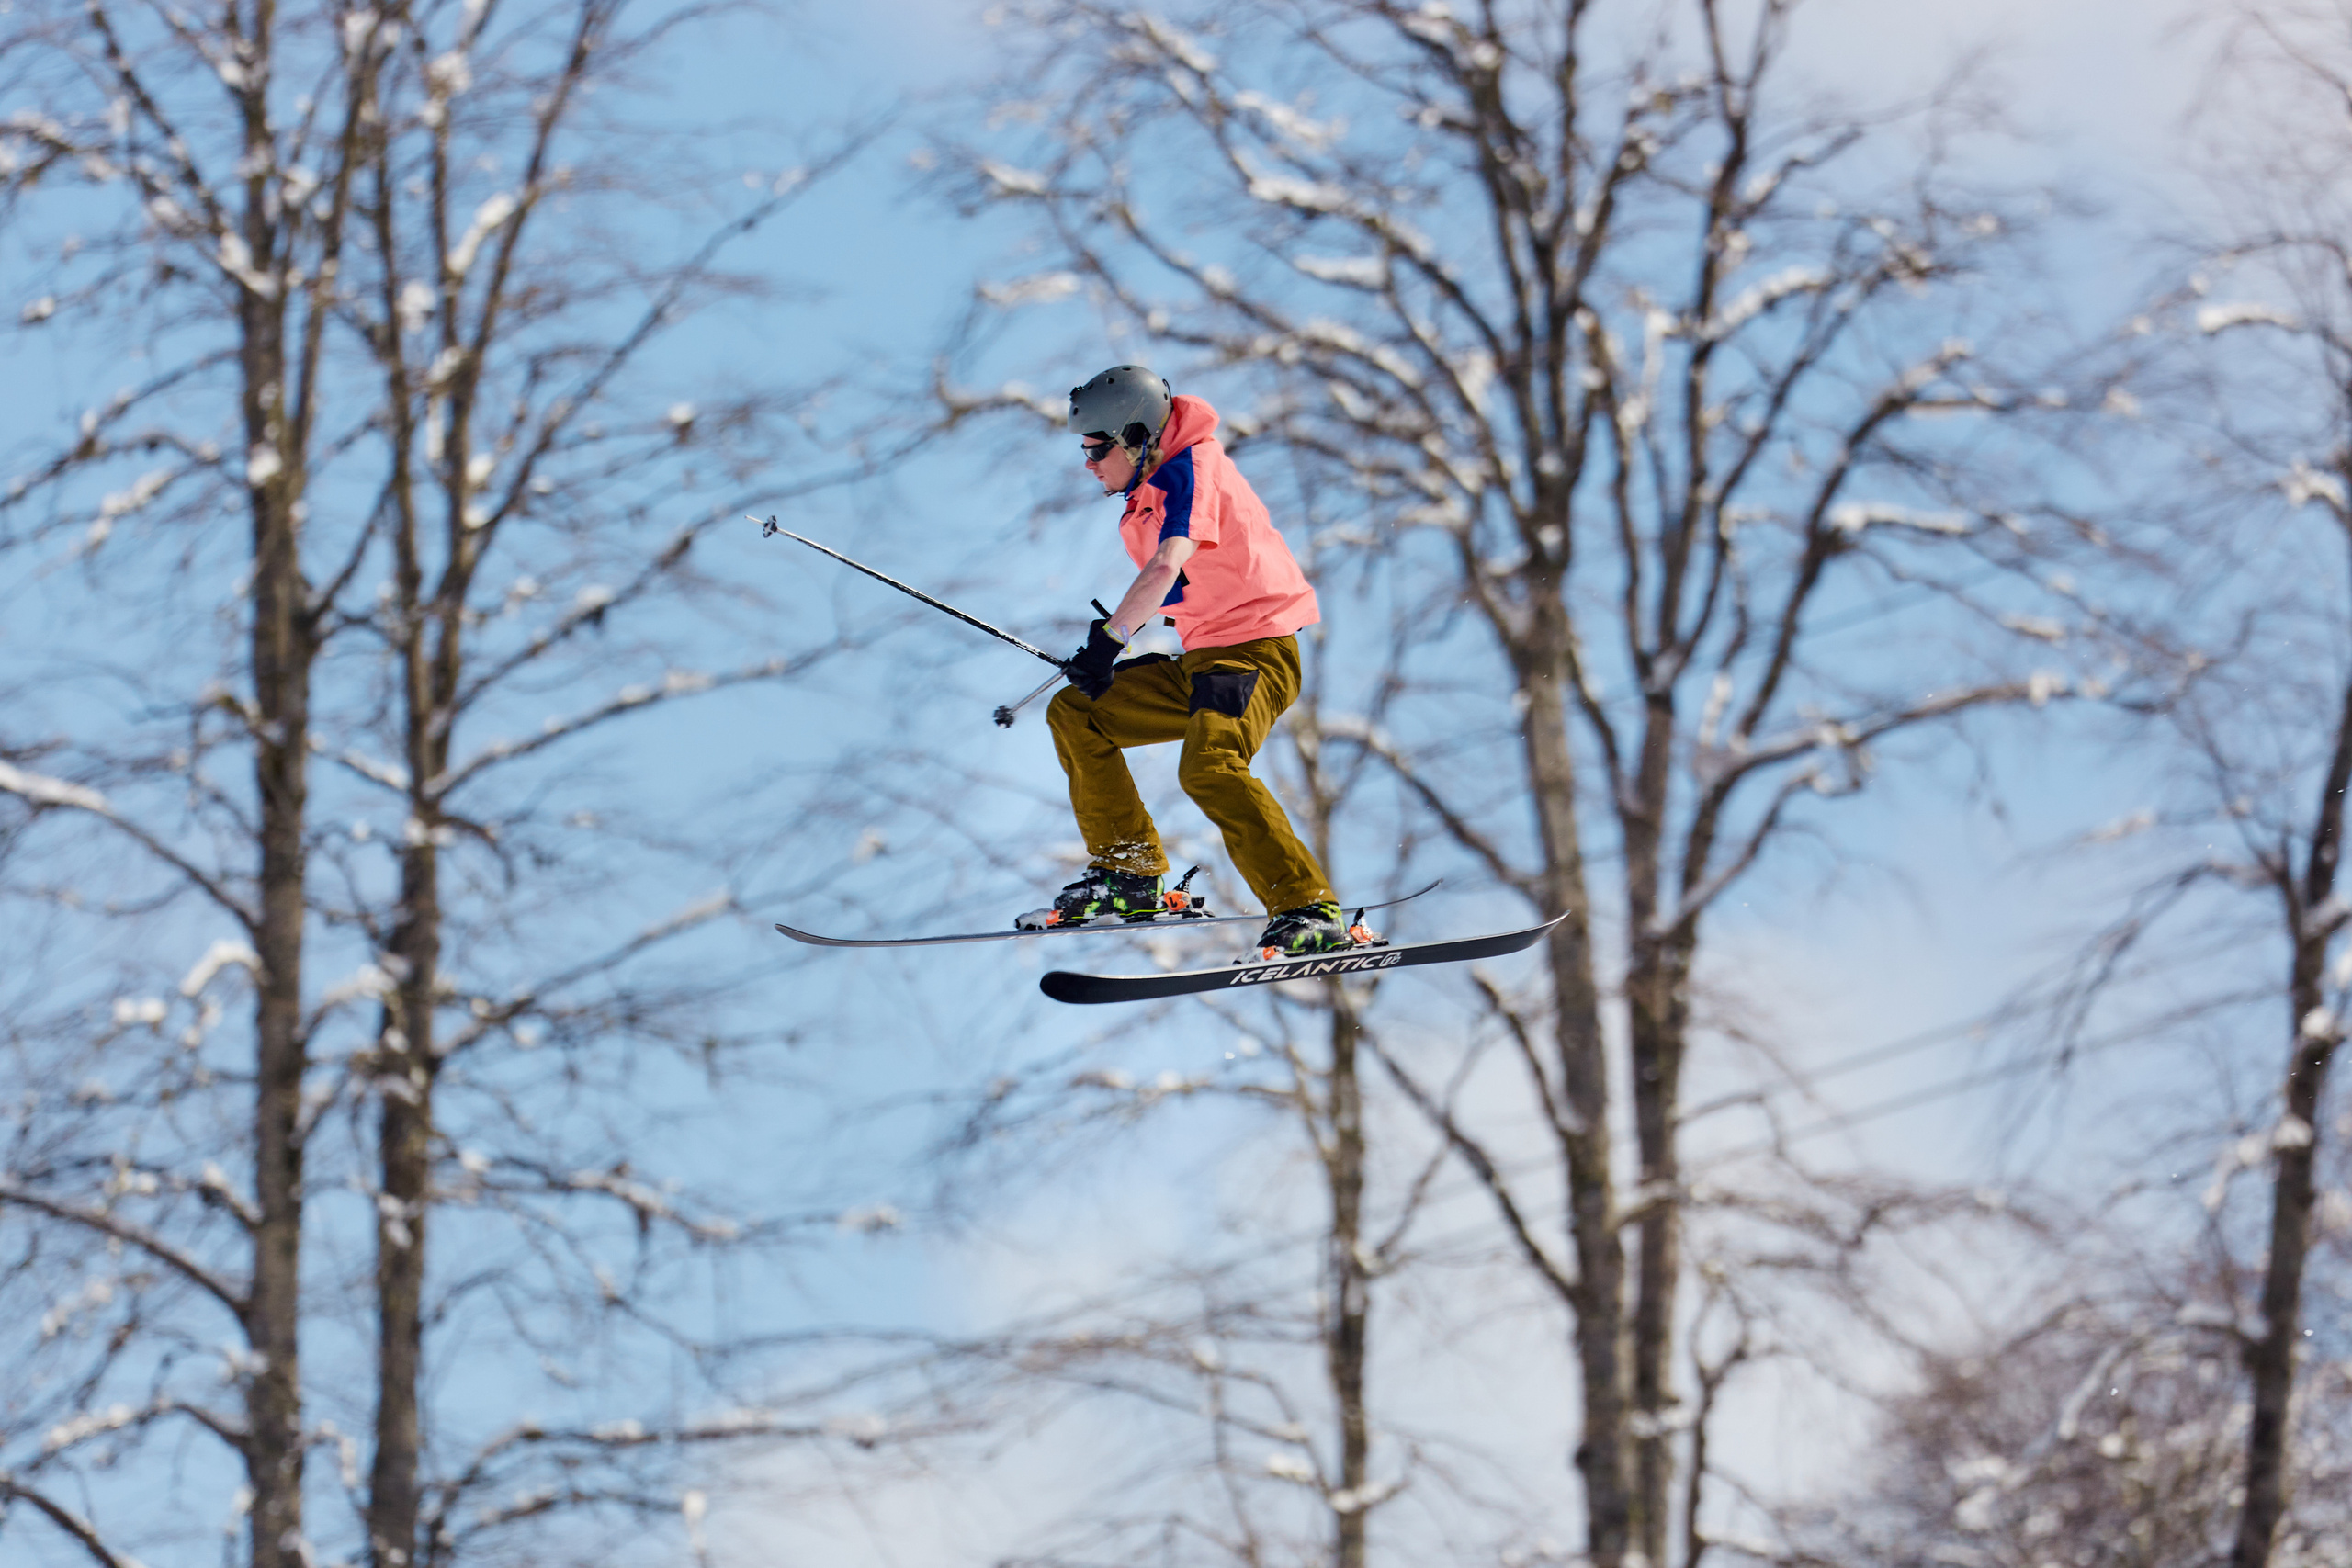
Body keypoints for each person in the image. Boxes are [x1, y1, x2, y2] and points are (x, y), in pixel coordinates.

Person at [1014, 365, 1353, 959]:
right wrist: (1105, 651)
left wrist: (1111, 639)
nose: (1088, 462)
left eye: (1096, 448)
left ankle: (1308, 906)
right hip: (1205, 661)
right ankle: (1130, 872)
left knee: (1210, 765)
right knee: (1078, 712)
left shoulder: (1191, 472)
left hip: (1255, 654)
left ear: (1138, 437)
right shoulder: (1148, 491)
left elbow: (1168, 566)